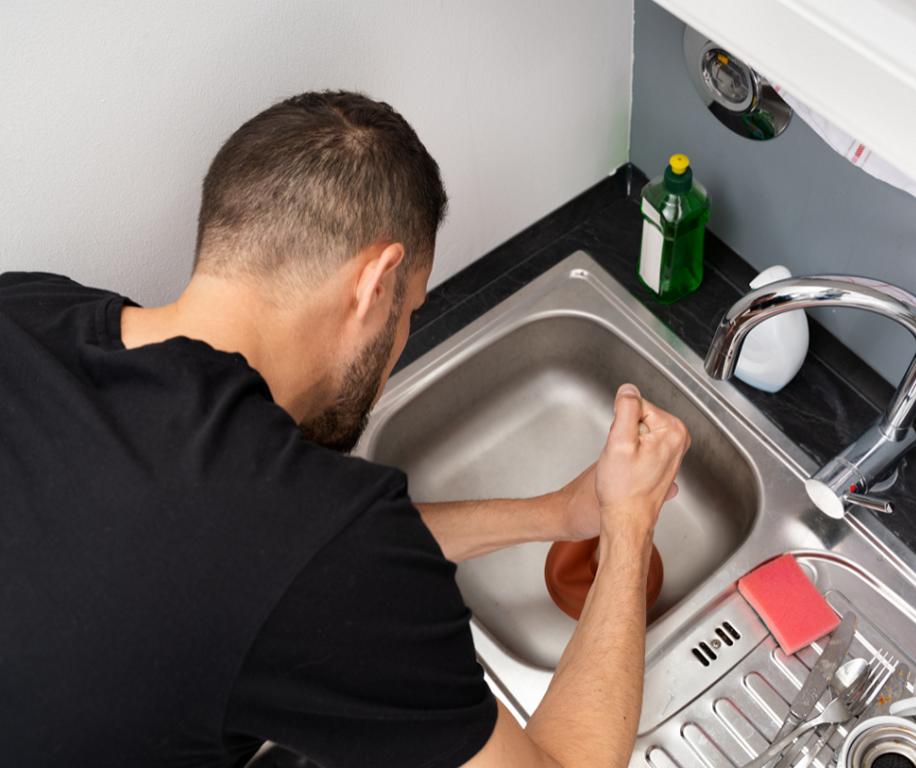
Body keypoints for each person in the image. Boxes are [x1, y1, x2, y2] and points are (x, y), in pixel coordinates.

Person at [0, 90, 689, 768]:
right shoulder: (311, 541)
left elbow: (298, 559)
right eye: (412, 310)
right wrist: (629, 526)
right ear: (376, 284)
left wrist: (555, 515)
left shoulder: (27, 306)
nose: (402, 340)